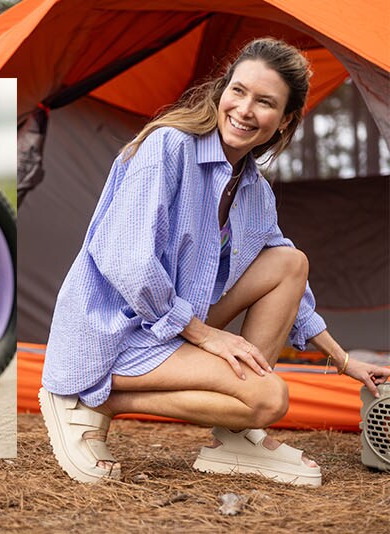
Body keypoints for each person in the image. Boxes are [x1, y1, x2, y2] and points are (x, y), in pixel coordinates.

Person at [39, 38, 390, 486]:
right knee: (269, 398)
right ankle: (89, 397)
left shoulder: (255, 192)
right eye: (238, 91)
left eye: (264, 102)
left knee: (289, 261)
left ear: (284, 121)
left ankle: (236, 438)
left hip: (171, 329)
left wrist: (345, 362)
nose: (244, 109)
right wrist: (208, 337)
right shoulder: (168, 147)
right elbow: (127, 261)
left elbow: (289, 286)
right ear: (221, 91)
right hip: (116, 330)